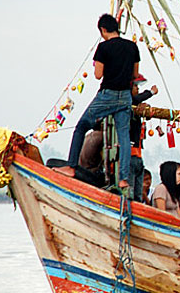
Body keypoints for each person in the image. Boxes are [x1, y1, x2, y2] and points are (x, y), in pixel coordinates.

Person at [55, 14, 140, 191]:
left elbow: (98, 75)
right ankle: (124, 179)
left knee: (81, 127)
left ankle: (71, 166)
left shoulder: (103, 48)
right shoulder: (132, 47)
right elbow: (134, 74)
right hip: (125, 96)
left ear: (102, 30)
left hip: (107, 94)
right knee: (124, 137)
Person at [129, 74, 158, 202]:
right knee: (129, 193)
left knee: (137, 195)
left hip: (138, 156)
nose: (138, 89)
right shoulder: (126, 104)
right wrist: (150, 92)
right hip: (129, 156)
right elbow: (134, 100)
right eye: (135, 86)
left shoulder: (136, 109)